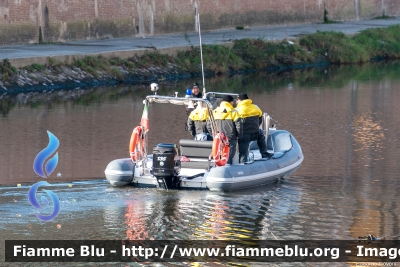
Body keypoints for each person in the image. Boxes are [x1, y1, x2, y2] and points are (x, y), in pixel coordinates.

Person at [207, 95, 242, 165]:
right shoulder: (234, 112)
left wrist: (215, 136)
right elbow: (239, 126)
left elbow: (209, 125)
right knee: (228, 157)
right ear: (231, 102)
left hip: (218, 139)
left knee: (219, 156)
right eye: (233, 102)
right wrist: (238, 136)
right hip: (230, 138)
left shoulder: (215, 111)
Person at [235, 93, 269, 163]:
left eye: (237, 100)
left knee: (243, 154)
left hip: (244, 135)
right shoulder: (256, 107)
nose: (236, 101)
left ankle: (243, 164)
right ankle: (264, 153)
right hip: (255, 134)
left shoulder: (236, 110)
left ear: (240, 100)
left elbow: (235, 124)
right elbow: (260, 120)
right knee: (261, 134)